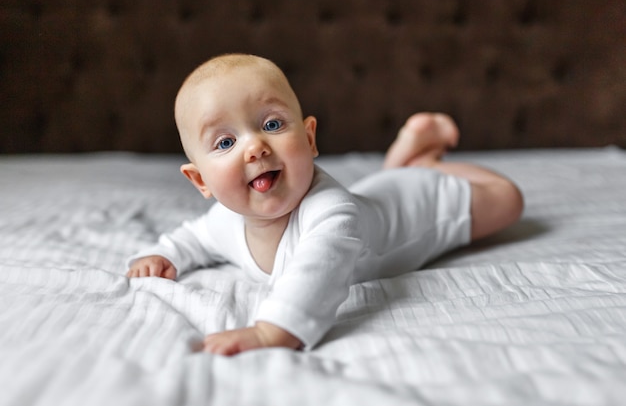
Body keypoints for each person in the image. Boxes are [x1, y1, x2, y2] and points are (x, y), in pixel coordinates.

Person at [126, 53, 524, 355]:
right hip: (382, 191)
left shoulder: (333, 214)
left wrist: (271, 330)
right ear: (200, 181)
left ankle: (430, 165)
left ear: (310, 138)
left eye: (272, 124)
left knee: (509, 199)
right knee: (388, 184)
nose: (255, 147)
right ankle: (409, 158)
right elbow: (195, 237)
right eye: (226, 143)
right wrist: (165, 255)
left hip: (430, 202)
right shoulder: (226, 220)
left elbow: (317, 277)